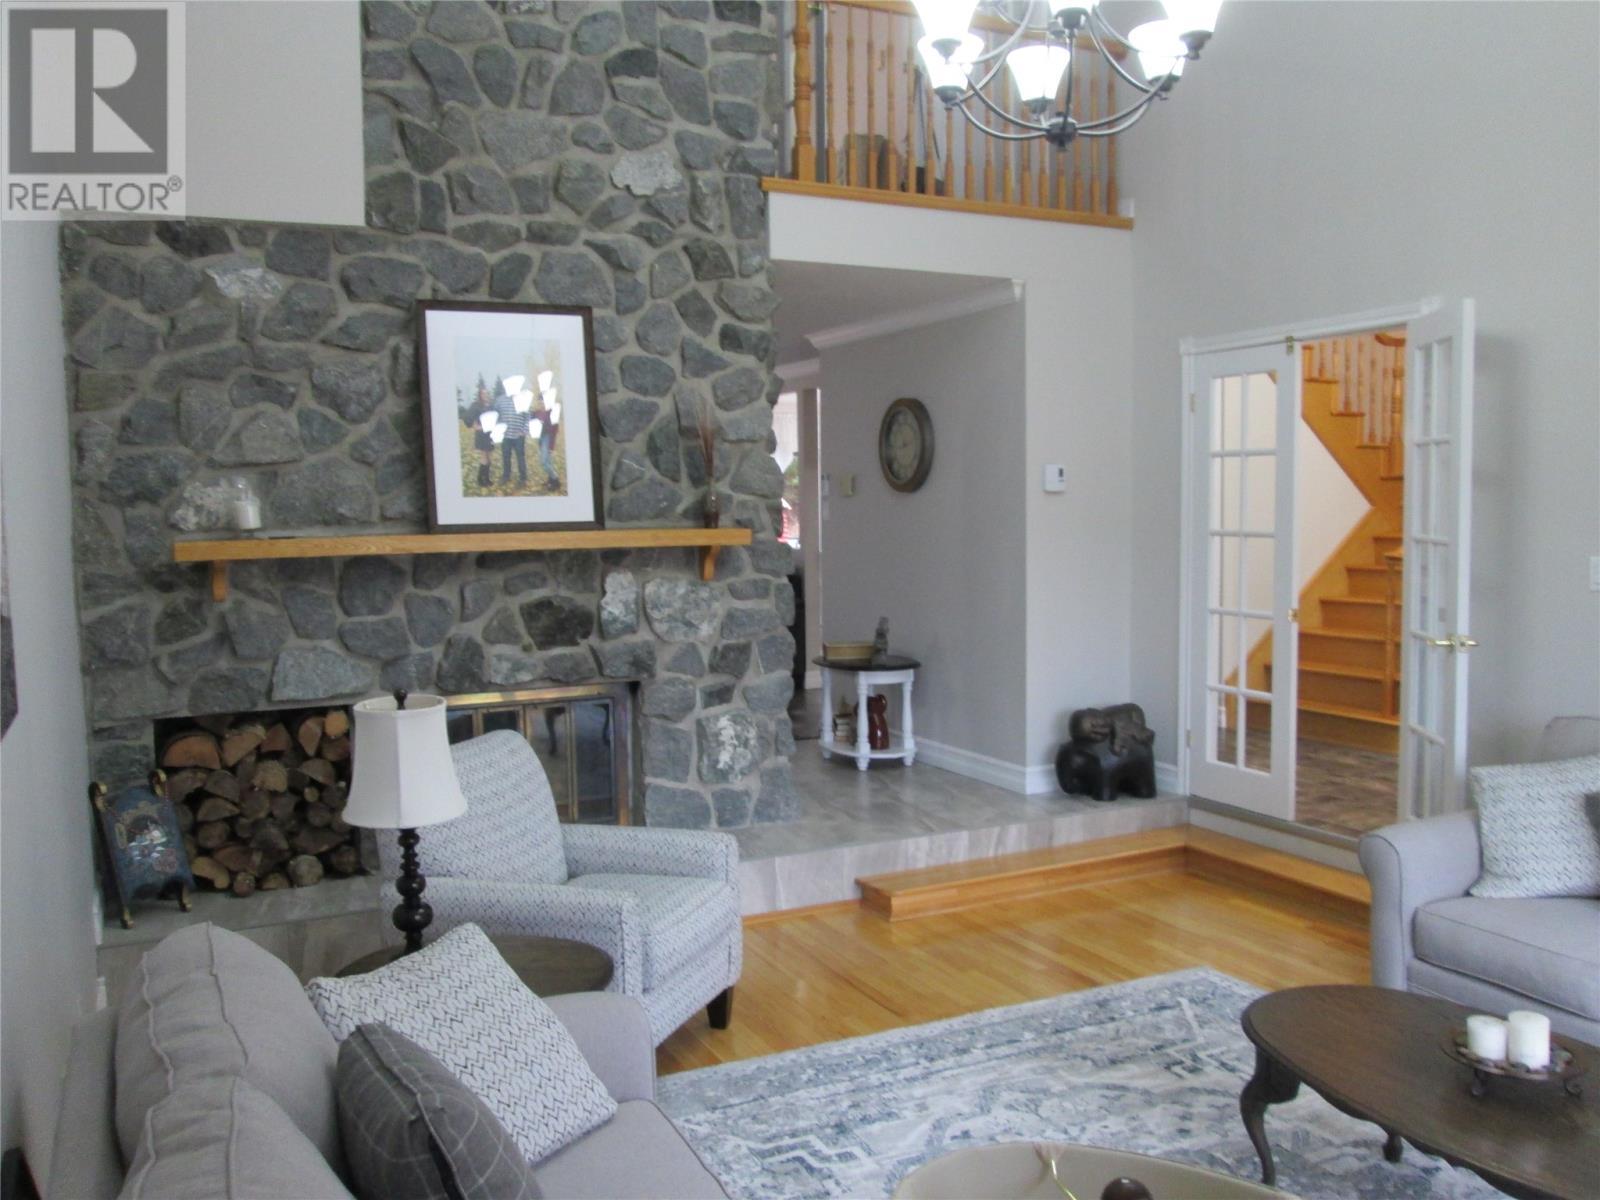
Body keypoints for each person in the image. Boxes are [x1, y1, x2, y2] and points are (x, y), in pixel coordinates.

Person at [492, 375, 530, 488]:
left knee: (520, 457)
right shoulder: (500, 400)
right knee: (506, 456)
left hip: (519, 435)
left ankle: (523, 478)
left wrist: (524, 430)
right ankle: (506, 476)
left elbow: (528, 417)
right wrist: (498, 428)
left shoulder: (522, 399)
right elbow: (495, 415)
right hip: (506, 436)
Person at [460, 376, 496, 489]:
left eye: (487, 393)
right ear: (480, 395)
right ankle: (482, 480)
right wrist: (475, 426)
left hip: (490, 434)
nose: (486, 395)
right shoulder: (476, 405)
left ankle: (486, 478)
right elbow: (466, 417)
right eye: (483, 394)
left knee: (489, 456)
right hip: (481, 435)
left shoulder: (490, 405)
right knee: (484, 456)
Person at [537, 376, 562, 493]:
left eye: (542, 400)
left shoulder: (552, 411)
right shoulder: (538, 412)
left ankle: (555, 479)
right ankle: (551, 480)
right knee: (548, 461)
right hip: (541, 438)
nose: (540, 402)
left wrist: (551, 446)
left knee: (544, 461)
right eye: (539, 401)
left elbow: (555, 430)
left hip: (548, 438)